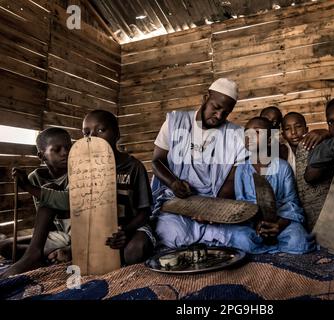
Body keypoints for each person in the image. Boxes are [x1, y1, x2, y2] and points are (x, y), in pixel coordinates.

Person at [152, 78, 246, 248]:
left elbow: (232, 180)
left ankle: (206, 236)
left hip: (215, 202)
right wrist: (173, 183)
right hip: (179, 201)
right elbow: (157, 161)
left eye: (226, 113)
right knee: (173, 235)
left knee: (242, 238)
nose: (219, 116)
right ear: (205, 97)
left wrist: (213, 210)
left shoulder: (236, 135)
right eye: (216, 108)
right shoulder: (175, 122)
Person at [231, 117, 316, 254]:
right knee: (240, 239)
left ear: (270, 140)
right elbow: (241, 203)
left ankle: (267, 247)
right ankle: (268, 245)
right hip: (253, 223)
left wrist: (279, 225)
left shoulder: (282, 167)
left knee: (299, 242)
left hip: (281, 220)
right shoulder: (241, 169)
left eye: (257, 132)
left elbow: (292, 203)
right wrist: (256, 222)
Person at [82, 110, 156, 264]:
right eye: (86, 133)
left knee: (134, 251)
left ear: (117, 134)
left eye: (101, 130)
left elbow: (145, 212)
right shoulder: (82, 170)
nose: (93, 137)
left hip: (133, 227)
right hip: (102, 232)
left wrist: (125, 231)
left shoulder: (133, 167)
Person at [1, 128, 73, 278]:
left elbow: (68, 202)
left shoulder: (78, 171)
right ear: (42, 156)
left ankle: (33, 256)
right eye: (57, 149)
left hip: (80, 231)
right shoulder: (36, 178)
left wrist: (28, 187)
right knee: (5, 246)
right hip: (60, 234)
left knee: (51, 189)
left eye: (68, 147)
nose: (65, 152)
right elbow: (46, 220)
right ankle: (43, 254)